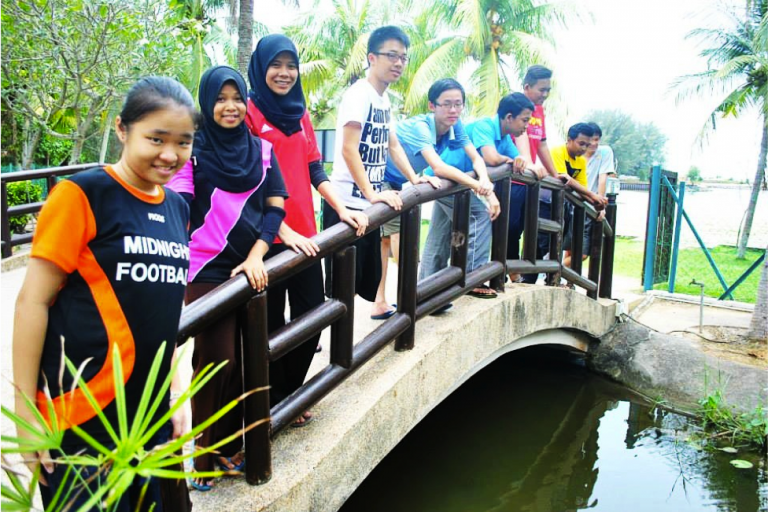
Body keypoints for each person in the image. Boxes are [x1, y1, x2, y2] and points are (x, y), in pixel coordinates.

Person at [13, 77, 198, 511]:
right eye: (156, 139)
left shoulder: (177, 207)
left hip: (147, 417)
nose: (170, 154)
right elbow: (31, 303)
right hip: (81, 418)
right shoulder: (82, 195)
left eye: (183, 142)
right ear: (121, 129)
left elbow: (160, 313)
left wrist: (173, 396)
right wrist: (25, 415)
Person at [167, 66, 288, 491]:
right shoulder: (192, 152)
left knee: (246, 360)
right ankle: (202, 455)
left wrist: (258, 254)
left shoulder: (263, 150)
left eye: (237, 98)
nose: (230, 106)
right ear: (207, 103)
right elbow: (178, 205)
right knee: (217, 361)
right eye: (221, 98)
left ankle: (230, 446)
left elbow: (275, 207)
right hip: (205, 268)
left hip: (250, 267)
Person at [245, 34, 368, 423]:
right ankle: (272, 400)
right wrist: (280, 231)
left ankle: (288, 392)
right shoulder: (248, 113)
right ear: (261, 68)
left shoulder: (300, 113)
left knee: (313, 312)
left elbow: (314, 167)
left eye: (291, 66)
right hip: (265, 237)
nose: (284, 73)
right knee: (269, 323)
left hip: (306, 235)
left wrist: (341, 207)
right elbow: (248, 182)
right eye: (275, 65)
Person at [325, 25, 439, 318]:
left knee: (361, 283)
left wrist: (415, 178)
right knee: (341, 289)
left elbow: (393, 145)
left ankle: (348, 341)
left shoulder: (384, 100)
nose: (398, 63)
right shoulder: (359, 94)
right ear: (372, 58)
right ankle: (338, 344)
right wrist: (372, 193)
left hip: (368, 206)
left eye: (403, 57)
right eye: (391, 55)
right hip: (347, 205)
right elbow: (349, 148)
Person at [379, 78, 491, 308]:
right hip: (379, 180)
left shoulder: (455, 126)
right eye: (446, 104)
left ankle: (420, 294)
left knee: (401, 238)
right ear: (432, 105)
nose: (453, 110)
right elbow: (438, 167)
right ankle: (410, 299)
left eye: (458, 104)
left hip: (397, 182)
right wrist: (475, 184)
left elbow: (475, 157)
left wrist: (485, 179)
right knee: (395, 237)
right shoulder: (421, 126)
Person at [419, 93, 531, 298]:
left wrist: (520, 160)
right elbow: (491, 158)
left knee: (439, 236)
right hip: (445, 180)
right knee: (479, 217)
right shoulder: (484, 126)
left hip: (456, 184)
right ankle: (473, 278)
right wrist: (508, 161)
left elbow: (522, 163)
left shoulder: (505, 138)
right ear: (509, 117)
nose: (527, 126)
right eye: (524, 120)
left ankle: (425, 290)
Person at [513, 65, 559, 284]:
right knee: (511, 228)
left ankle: (524, 275)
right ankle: (511, 273)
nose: (545, 94)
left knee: (528, 227)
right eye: (542, 89)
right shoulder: (516, 106)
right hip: (513, 176)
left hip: (529, 180)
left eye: (548, 90)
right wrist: (528, 163)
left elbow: (541, 144)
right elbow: (519, 136)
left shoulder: (539, 111)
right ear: (527, 87)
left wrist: (555, 175)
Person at [549, 123, 605, 269]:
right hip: (545, 202)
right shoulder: (558, 152)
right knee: (543, 243)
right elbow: (563, 178)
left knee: (557, 243)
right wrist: (593, 195)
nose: (584, 148)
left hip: (563, 206)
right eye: (581, 144)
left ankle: (552, 273)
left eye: (587, 145)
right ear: (569, 140)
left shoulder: (580, 161)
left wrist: (595, 203)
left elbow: (581, 189)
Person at [562, 122, 614, 268]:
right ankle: (559, 275)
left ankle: (554, 270)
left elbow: (602, 178)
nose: (593, 143)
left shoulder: (604, 153)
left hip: (588, 204)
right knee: (569, 247)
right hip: (571, 202)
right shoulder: (574, 154)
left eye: (597, 139)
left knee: (582, 252)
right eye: (590, 140)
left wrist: (600, 205)